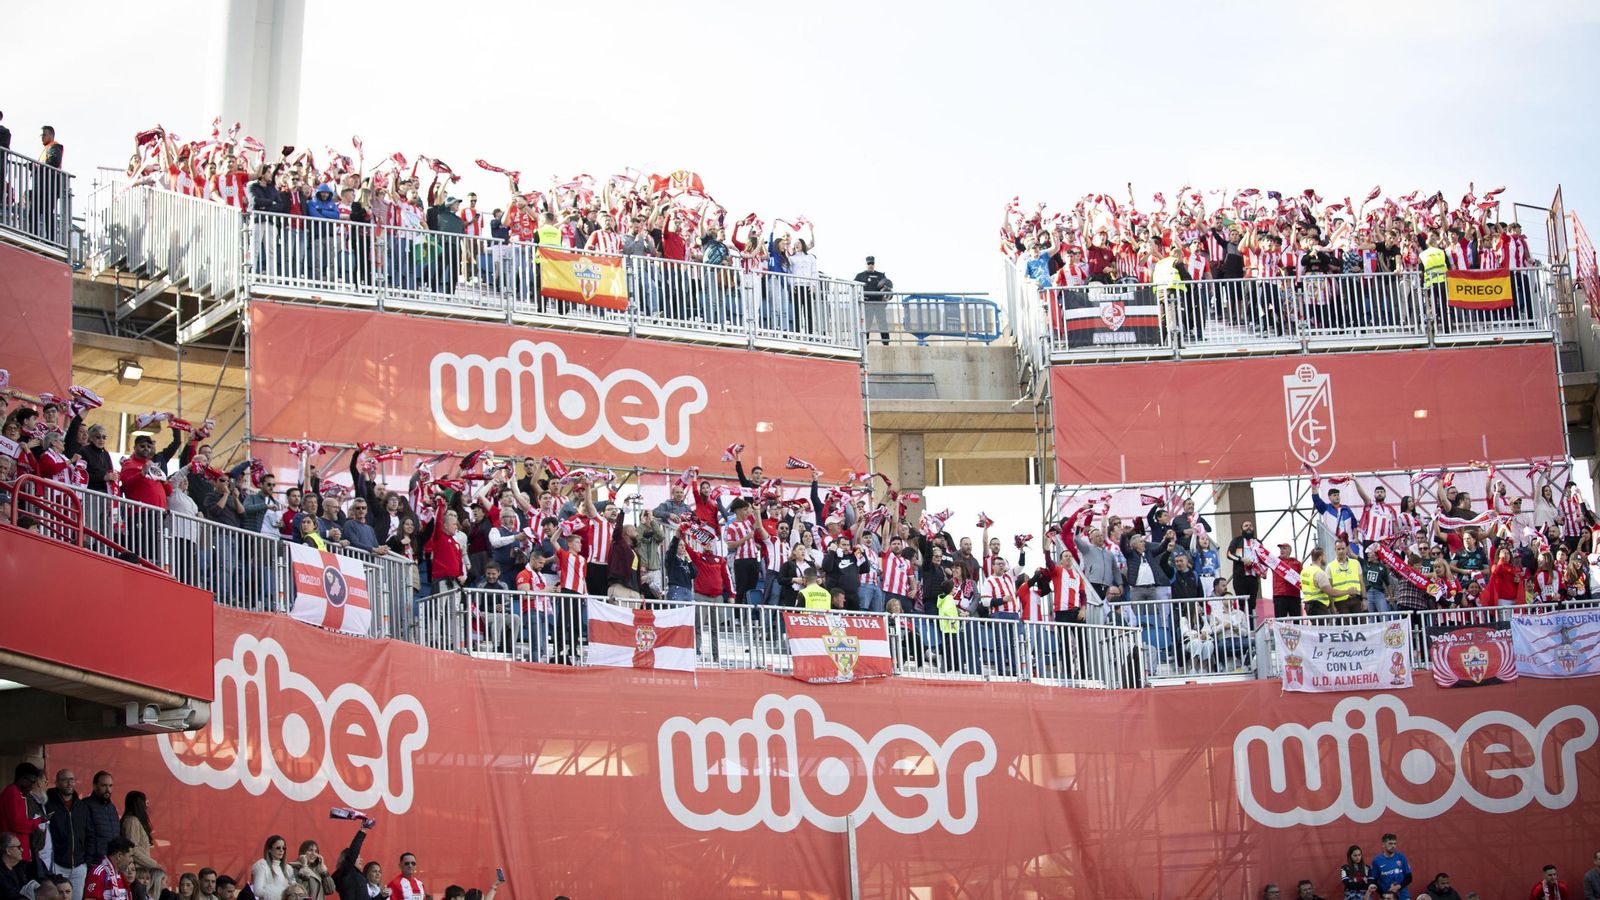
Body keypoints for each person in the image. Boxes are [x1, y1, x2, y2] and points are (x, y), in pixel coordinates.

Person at [45, 770, 88, 900]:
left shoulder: (82, 806)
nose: (69, 783)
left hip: (79, 865)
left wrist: (87, 859)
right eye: (65, 780)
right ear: (56, 783)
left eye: (72, 779)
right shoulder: (48, 804)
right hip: (57, 863)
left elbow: (90, 833)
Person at [117, 792, 163, 896]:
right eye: (144, 802)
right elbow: (132, 850)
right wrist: (154, 864)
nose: (147, 805)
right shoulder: (132, 821)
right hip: (137, 872)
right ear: (138, 804)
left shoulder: (134, 820)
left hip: (140, 871)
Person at [0, 764, 46, 864]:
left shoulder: (17, 793)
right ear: (23, 779)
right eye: (32, 781)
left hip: (18, 852)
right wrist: (39, 820)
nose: (33, 785)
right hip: (12, 853)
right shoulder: (13, 792)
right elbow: (18, 825)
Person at [329, 820, 376, 900]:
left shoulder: (357, 875)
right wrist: (362, 830)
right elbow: (353, 852)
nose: (361, 860)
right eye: (358, 857)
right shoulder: (346, 872)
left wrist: (382, 896)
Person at [80, 774, 117, 868]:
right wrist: (88, 861)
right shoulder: (85, 805)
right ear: (95, 786)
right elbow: (83, 836)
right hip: (94, 862)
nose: (108, 789)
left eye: (110, 786)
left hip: (111, 862)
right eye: (104, 785)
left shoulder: (112, 808)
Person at [854, 256, 893, 345]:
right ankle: (865, 343)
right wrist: (860, 297)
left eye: (872, 263)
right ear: (866, 264)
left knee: (883, 323)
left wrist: (886, 296)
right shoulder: (860, 276)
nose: (870, 265)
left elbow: (888, 287)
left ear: (874, 264)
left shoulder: (880, 275)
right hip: (867, 304)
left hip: (879, 303)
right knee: (867, 324)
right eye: (869, 263)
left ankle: (886, 343)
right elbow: (854, 287)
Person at [250, 835, 293, 900]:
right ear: (269, 849)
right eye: (278, 848)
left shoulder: (288, 868)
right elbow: (257, 891)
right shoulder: (262, 865)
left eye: (284, 848)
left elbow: (294, 888)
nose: (281, 850)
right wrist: (283, 894)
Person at [1372, 833, 1413, 900]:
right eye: (1390, 843)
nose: (1393, 846)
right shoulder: (1377, 860)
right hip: (1387, 897)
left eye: (1395, 843)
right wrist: (1383, 894)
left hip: (1403, 896)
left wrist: (1398, 887)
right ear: (1383, 845)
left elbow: (1409, 878)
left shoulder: (1401, 857)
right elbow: (1374, 881)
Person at [0, 833, 35, 900]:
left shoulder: (19, 867)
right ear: (9, 851)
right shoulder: (1, 875)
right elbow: (10, 895)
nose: (22, 850)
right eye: (19, 847)